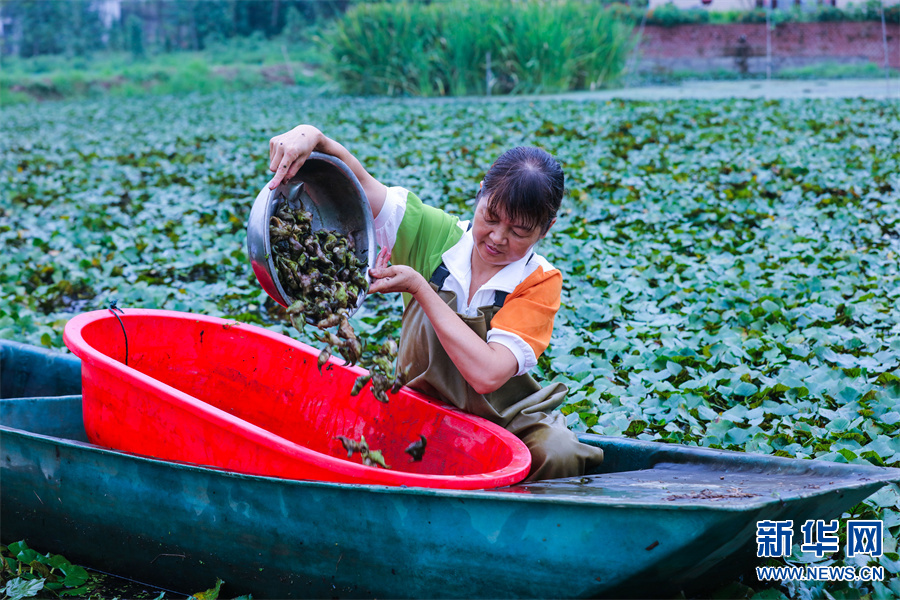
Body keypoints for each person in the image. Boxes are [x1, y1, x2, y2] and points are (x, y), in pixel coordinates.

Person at [267, 125, 604, 481]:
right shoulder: (438, 235)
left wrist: (419, 287)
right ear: (479, 196)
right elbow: (362, 187)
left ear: (545, 229)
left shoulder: (539, 281)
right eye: (490, 216)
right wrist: (315, 137)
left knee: (559, 453)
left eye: (519, 232)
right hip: (421, 409)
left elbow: (487, 374)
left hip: (507, 422)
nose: (498, 237)